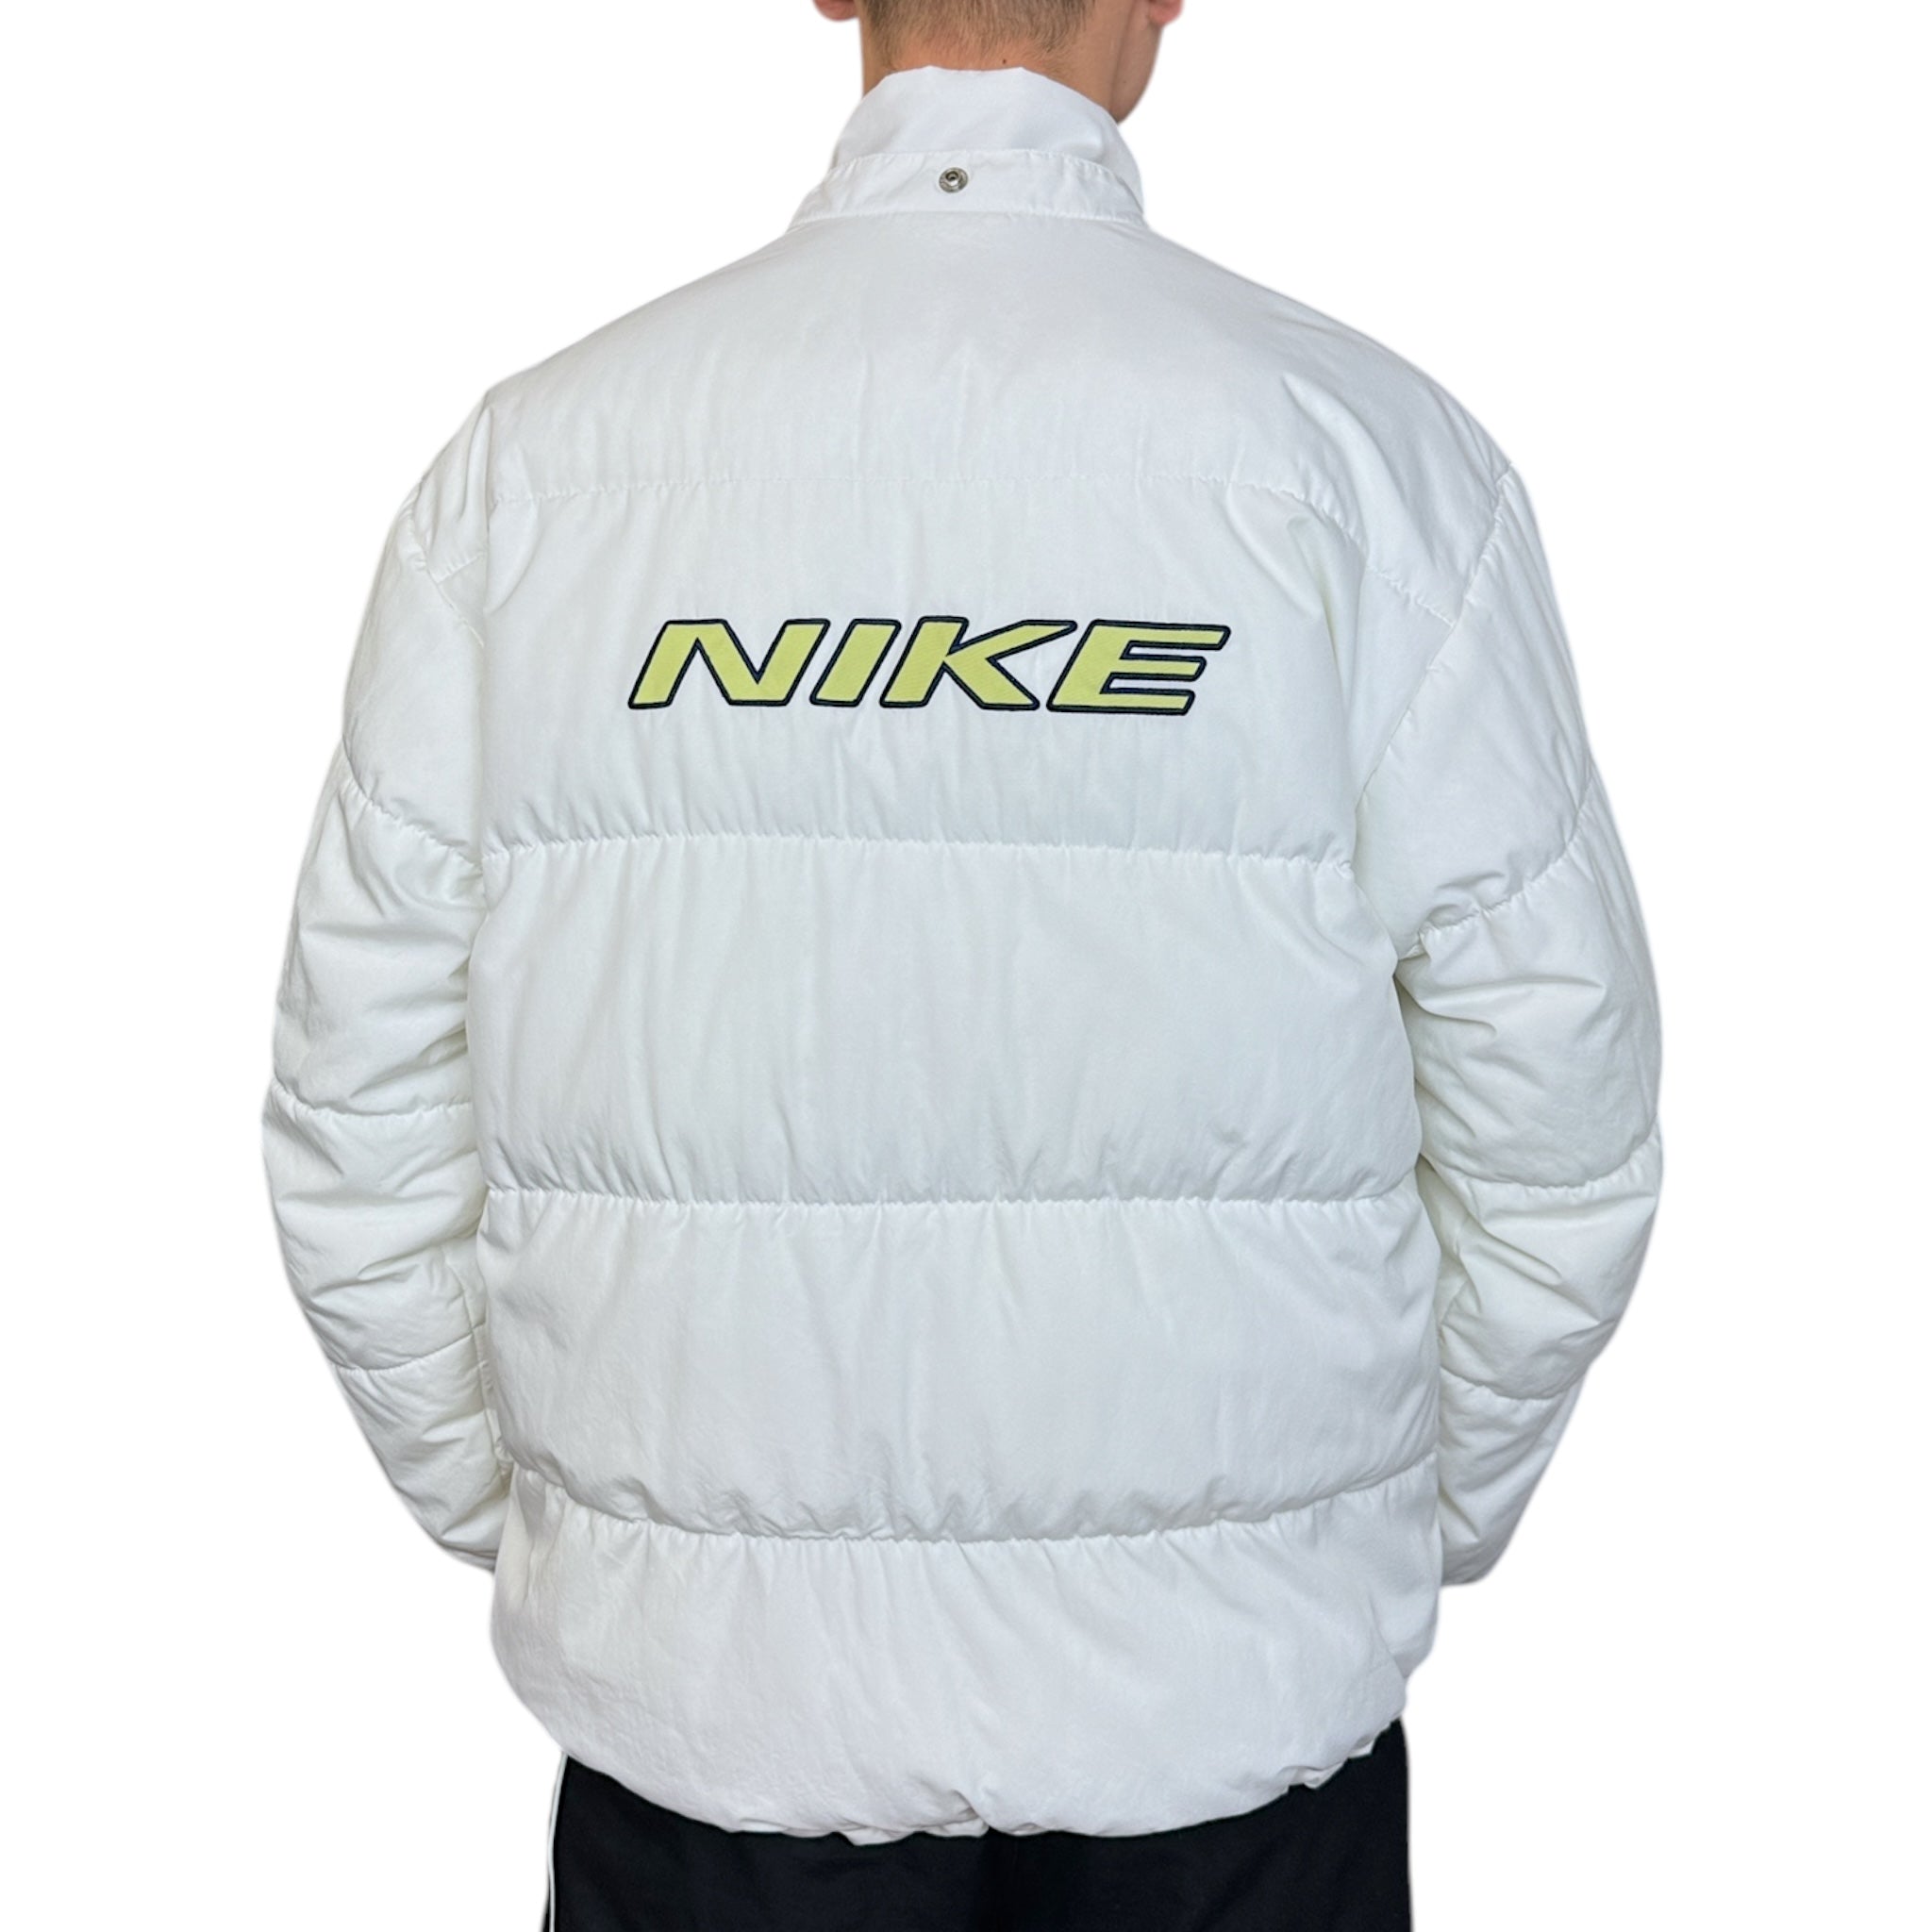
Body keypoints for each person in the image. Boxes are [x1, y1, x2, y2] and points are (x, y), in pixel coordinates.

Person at [258, 1, 1666, 1925]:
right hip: (1232, 1742)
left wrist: (579, 1544)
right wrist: (1361, 1538)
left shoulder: (537, 474)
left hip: (713, 1741)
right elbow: (1557, 1122)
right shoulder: (1372, 461)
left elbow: (357, 1118)